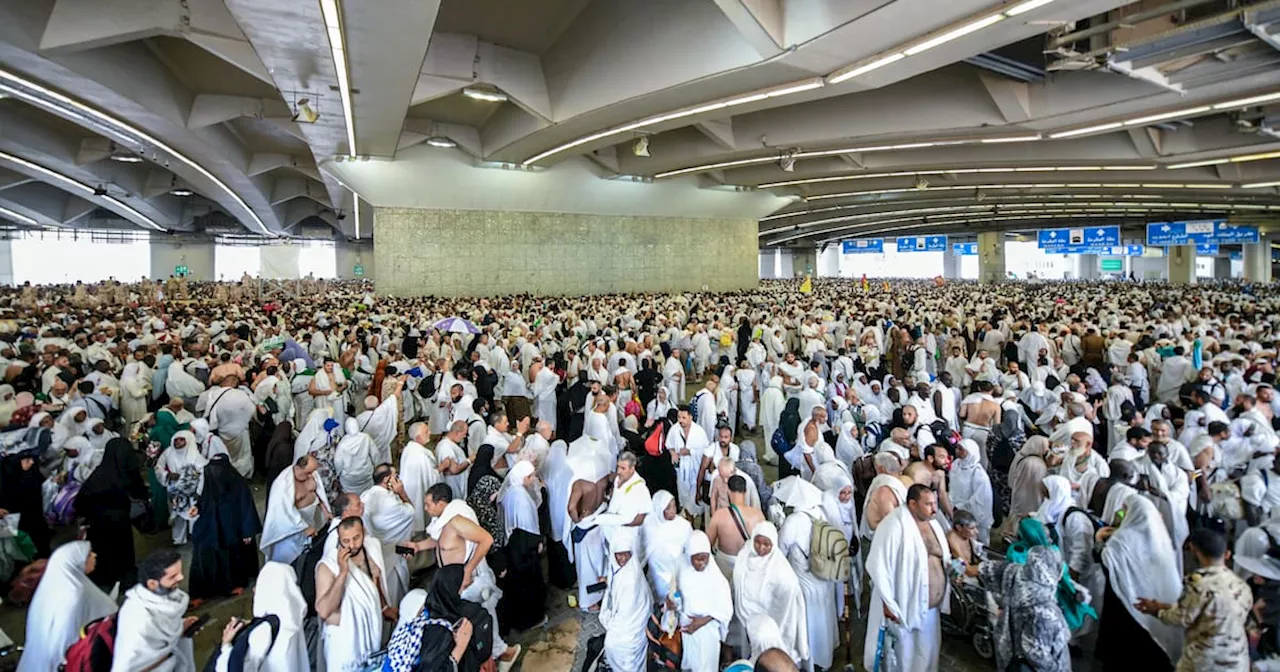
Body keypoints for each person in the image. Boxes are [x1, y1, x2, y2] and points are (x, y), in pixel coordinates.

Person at [413, 483, 522, 667]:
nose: (425, 508)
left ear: (441, 503)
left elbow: (486, 539)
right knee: (468, 623)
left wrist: (467, 570)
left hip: (468, 581)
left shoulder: (456, 521)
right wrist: (417, 547)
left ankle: (502, 654)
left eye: (428, 504)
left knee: (480, 619)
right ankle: (489, 656)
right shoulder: (441, 524)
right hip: (453, 584)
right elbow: (440, 542)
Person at [1135, 527, 1252, 672]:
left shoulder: (1199, 584)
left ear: (1194, 550)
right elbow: (1208, 612)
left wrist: (1156, 611)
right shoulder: (1241, 585)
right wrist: (1163, 606)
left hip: (1206, 661)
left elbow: (1182, 618)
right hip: (1236, 660)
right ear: (1226, 554)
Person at [864, 485, 950, 672]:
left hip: (930, 608)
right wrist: (888, 602)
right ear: (912, 504)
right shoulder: (893, 526)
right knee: (905, 657)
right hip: (904, 606)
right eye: (928, 504)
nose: (934, 509)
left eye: (935, 503)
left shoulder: (933, 523)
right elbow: (877, 566)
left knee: (927, 653)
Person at [1097, 488, 1183, 670]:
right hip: (1153, 607)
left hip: (1123, 606)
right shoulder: (1159, 538)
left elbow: (1105, 563)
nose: (1122, 514)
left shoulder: (1121, 540)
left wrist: (1098, 540)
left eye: (1124, 510)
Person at [17, 541, 117, 672]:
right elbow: (67, 637)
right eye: (88, 555)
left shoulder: (52, 587)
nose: (94, 555)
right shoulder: (75, 592)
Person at [977, 544, 1073, 672]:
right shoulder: (1044, 610)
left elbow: (985, 569)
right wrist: (1057, 669)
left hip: (1009, 649)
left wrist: (961, 567)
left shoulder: (1015, 572)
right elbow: (1035, 653)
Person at [315, 516, 393, 672]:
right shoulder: (328, 566)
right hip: (344, 644)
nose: (352, 545)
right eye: (346, 541)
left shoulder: (370, 551)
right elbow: (324, 611)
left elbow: (375, 585)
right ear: (339, 540)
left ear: (363, 532)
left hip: (370, 635)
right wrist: (343, 573)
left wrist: (384, 608)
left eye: (356, 538)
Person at [189, 452, 261, 604]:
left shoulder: (237, 484)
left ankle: (230, 587)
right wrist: (197, 507)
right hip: (210, 525)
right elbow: (204, 499)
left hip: (229, 528)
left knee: (229, 558)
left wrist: (247, 532)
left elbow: (246, 508)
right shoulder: (209, 483)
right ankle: (201, 592)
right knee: (202, 556)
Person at [76, 437, 147, 589]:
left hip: (98, 525)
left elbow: (80, 503)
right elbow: (140, 492)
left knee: (104, 555)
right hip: (120, 521)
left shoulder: (99, 474)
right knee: (123, 553)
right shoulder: (127, 472)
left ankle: (107, 579)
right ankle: (125, 580)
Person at [112, 549, 199, 672]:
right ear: (152, 584)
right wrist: (177, 634)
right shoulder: (139, 620)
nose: (181, 578)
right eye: (173, 576)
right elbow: (133, 665)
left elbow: (164, 633)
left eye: (180, 572)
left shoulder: (166, 599)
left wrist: (180, 627)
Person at [733, 522, 808, 663]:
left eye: (766, 544)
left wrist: (771, 628)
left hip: (769, 626)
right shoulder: (745, 554)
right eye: (757, 542)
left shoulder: (781, 572)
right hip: (748, 620)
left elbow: (787, 608)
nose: (760, 548)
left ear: (774, 544)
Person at [496, 459, 547, 634]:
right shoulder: (522, 498)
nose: (532, 479)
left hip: (513, 546)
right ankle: (531, 620)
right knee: (529, 585)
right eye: (530, 476)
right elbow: (527, 528)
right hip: (524, 549)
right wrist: (537, 543)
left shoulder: (511, 492)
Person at [360, 463, 417, 608]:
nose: (398, 480)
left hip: (377, 552)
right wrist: (402, 492)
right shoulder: (391, 503)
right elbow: (411, 512)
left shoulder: (365, 496)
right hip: (392, 553)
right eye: (395, 476)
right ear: (387, 480)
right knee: (393, 592)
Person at [676, 531, 733, 672]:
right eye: (697, 559)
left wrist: (700, 622)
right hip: (687, 628)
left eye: (705, 558)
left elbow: (725, 609)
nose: (702, 563)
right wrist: (673, 605)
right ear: (689, 556)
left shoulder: (716, 579)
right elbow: (675, 594)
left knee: (706, 666)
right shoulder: (681, 569)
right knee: (689, 665)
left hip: (707, 631)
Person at [600, 526, 653, 672]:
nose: (623, 559)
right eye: (619, 554)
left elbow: (626, 614)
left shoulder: (631, 578)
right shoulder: (617, 567)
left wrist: (609, 621)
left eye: (626, 554)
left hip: (631, 624)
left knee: (614, 644)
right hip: (624, 618)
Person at [260, 455, 330, 565]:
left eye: (312, 472)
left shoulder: (312, 475)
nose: (311, 476)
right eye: (307, 473)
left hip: (311, 520)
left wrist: (325, 511)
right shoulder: (283, 484)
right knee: (288, 560)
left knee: (308, 556)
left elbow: (319, 493)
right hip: (290, 528)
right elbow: (283, 511)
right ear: (297, 468)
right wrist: (304, 527)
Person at [646, 489, 692, 601]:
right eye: (668, 508)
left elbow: (690, 547)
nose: (672, 511)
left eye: (674, 506)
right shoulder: (650, 526)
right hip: (658, 573)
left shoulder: (683, 525)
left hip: (678, 570)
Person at [949, 438, 994, 544]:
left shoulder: (978, 474)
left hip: (971, 512)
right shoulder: (956, 464)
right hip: (955, 508)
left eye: (961, 450)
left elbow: (980, 500)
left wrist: (961, 507)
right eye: (957, 448)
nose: (957, 451)